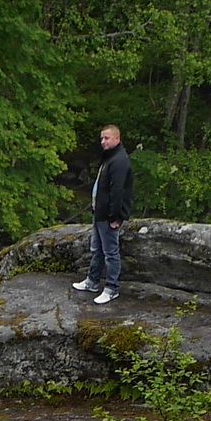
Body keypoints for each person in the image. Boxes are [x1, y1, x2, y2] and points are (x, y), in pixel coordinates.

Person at [74, 124, 133, 305]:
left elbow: (118, 191)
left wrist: (116, 217)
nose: (103, 142)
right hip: (99, 213)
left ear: (117, 139)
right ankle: (92, 281)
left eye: (107, 138)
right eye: (102, 138)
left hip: (108, 216)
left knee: (110, 252)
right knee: (96, 250)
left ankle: (111, 288)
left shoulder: (119, 161)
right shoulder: (109, 158)